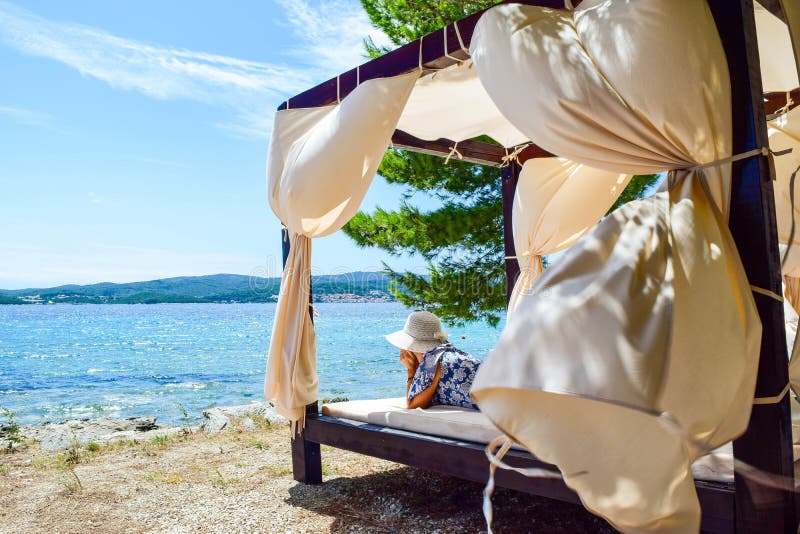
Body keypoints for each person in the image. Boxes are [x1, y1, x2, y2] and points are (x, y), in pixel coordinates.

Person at [385, 310, 481, 410]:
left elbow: (413, 405)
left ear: (409, 347)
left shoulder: (431, 360)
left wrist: (411, 369)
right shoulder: (448, 353)